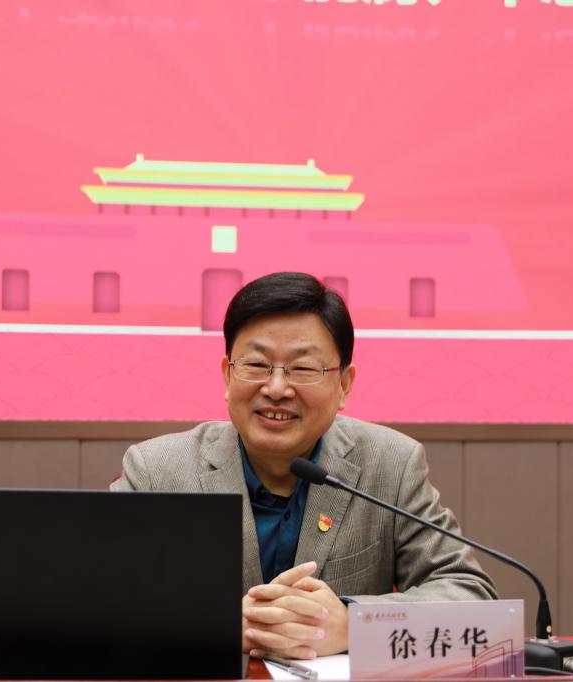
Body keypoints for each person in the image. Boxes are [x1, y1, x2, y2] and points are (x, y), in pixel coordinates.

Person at [110, 272, 496, 660]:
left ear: (344, 384)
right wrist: (216, 624)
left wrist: (354, 624)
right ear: (228, 375)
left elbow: (471, 596)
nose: (277, 388)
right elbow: (101, 601)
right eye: (257, 364)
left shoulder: (390, 464)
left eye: (304, 369)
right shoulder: (157, 470)